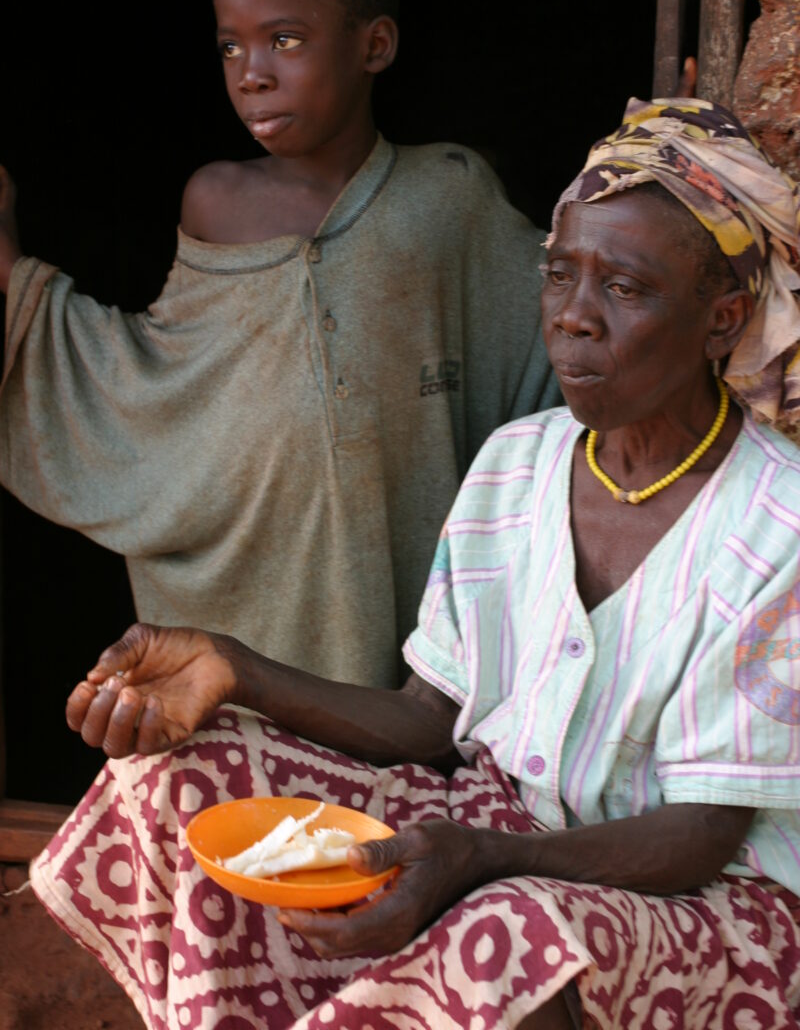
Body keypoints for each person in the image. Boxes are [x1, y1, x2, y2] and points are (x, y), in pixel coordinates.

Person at [31, 99, 800, 1028]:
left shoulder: (778, 521)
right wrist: (235, 669)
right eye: (560, 276)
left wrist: (480, 859)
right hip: (497, 826)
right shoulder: (518, 462)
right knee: (175, 780)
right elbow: (426, 717)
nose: (573, 320)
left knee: (511, 927)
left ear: (723, 319)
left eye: (625, 289)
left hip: (715, 905)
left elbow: (700, 835)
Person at [0, 0, 558, 688]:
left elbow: (561, 333)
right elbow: (170, 391)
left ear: (376, 45)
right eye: (230, 46)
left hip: (401, 599)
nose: (251, 73)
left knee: (382, 774)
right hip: (252, 594)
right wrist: (9, 266)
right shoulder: (216, 201)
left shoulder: (448, 193)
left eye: (284, 40)